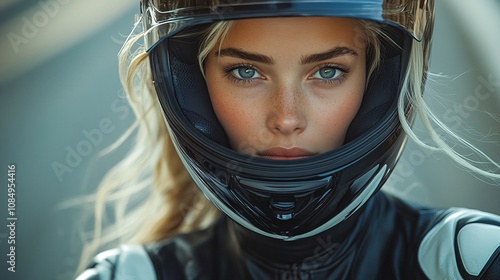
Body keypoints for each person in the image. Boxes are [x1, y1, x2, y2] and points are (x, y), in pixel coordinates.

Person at [76, 1, 500, 279]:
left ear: (377, 82)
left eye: (328, 71)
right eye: (245, 72)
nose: (287, 118)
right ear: (195, 88)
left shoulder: (471, 260)